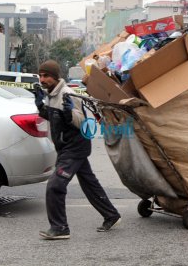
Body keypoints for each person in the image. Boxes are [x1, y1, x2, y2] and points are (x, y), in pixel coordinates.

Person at [34, 60, 121, 240]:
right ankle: (111, 215)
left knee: (55, 186)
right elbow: (53, 117)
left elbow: (82, 122)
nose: (42, 79)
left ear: (56, 77)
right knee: (89, 184)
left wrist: (69, 114)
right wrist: (41, 107)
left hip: (74, 147)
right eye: (40, 75)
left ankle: (60, 228)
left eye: (46, 76)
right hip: (66, 147)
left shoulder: (68, 95)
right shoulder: (51, 94)